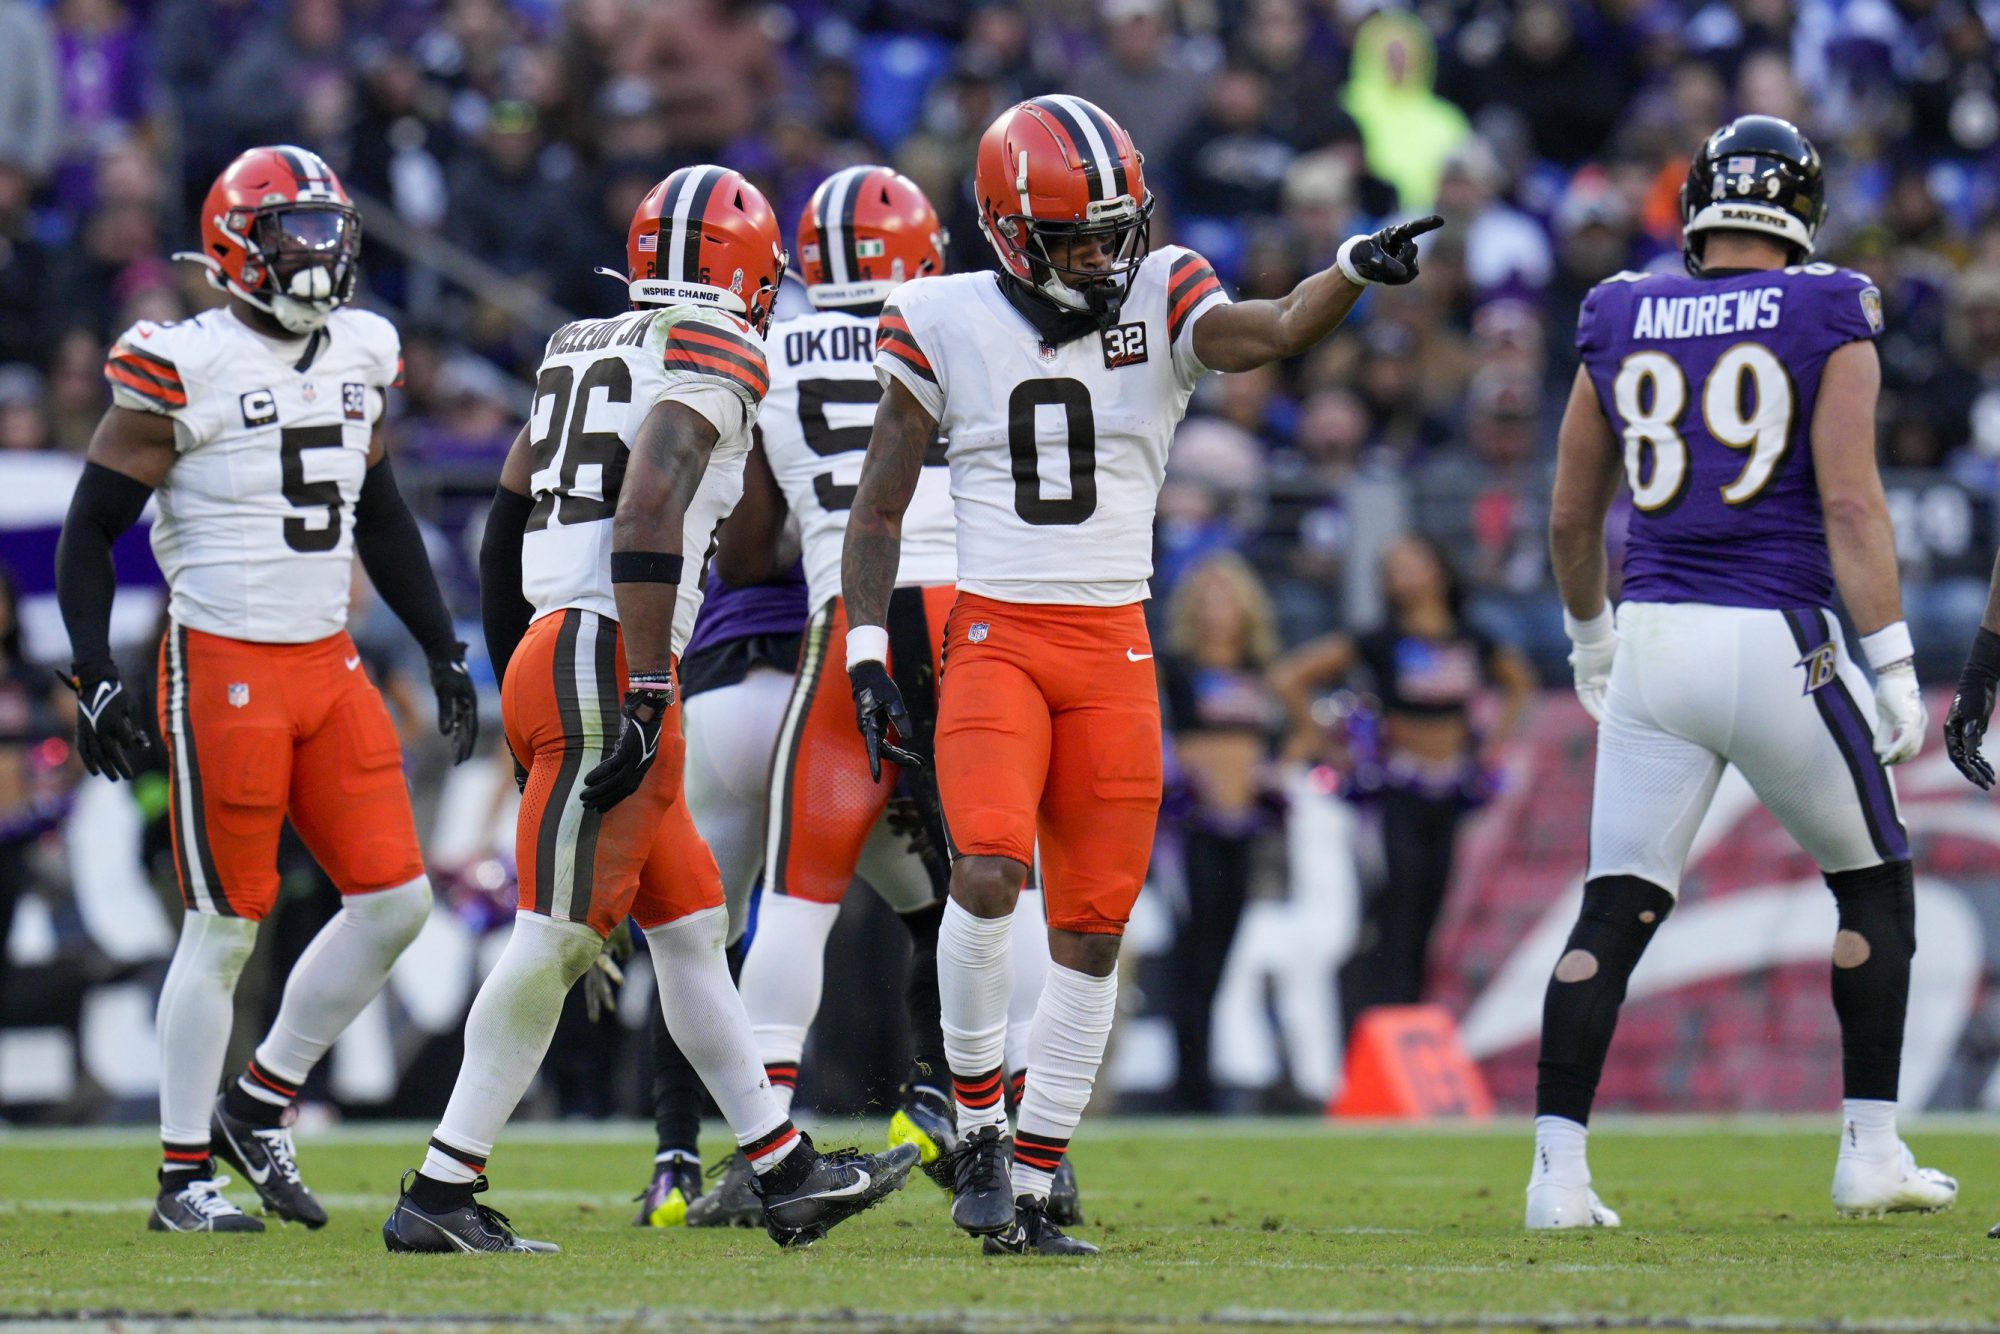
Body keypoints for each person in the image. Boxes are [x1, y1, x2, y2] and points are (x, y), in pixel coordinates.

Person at [844, 93, 1439, 1255]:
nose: (1104, 253)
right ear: (1011, 231)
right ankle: (976, 1128)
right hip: (996, 634)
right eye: (1076, 235)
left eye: (1115, 228)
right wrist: (867, 648)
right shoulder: (938, 317)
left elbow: (1264, 329)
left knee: (1096, 925)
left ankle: (1035, 1170)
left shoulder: (1161, 288)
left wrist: (1347, 273)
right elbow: (875, 507)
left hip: (1113, 643)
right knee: (981, 876)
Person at [384, 164, 915, 1255]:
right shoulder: (714, 346)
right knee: (559, 936)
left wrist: (522, 667)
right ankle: (440, 1184)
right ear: (741, 272)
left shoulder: (577, 343)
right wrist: (638, 677)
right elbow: (651, 498)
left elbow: (502, 521)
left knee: (686, 930)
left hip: (557, 645)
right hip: (613, 656)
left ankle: (782, 1165)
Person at [1531, 116, 1953, 1229]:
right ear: (1800, 212)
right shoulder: (1825, 304)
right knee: (1870, 881)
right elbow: (1850, 502)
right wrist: (1895, 662)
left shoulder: (1618, 308)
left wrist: (1587, 639)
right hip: (1776, 632)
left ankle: (1555, 1177)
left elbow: (1573, 512)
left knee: (1613, 907)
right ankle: (1867, 1148)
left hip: (1656, 634)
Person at [52, 146, 478, 1234]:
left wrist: (437, 645)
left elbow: (376, 509)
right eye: (294, 233)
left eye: (329, 232)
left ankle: (259, 1098)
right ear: (239, 244)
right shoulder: (179, 361)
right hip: (225, 662)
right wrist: (95, 668)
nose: (317, 254)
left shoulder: (366, 348)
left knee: (396, 901)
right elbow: (90, 531)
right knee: (224, 924)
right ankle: (179, 1175)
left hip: (327, 660)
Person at [695, 164, 1075, 1229]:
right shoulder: (964, 315)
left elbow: (751, 544)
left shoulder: (769, 346)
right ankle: (1028, 1131)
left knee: (798, 899)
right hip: (971, 618)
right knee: (1001, 880)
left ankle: (764, 1146)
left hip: (845, 618)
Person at [1271, 535, 1534, 1030]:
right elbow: (1291, 676)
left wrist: (1495, 745)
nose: (1402, 575)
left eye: (1413, 562)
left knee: (1433, 909)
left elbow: (1520, 682)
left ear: (1439, 569)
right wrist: (1318, 739)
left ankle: (1412, 1021)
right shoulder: (1377, 639)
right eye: (1392, 568)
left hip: (1452, 792)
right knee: (1397, 904)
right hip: (1396, 791)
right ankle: (1383, 1022)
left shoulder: (1472, 639)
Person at [632, 561, 809, 1229]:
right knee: (817, 909)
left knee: (691, 940)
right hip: (817, 683)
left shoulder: (688, 458)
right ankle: (946, 1108)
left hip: (714, 685)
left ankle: (673, 1161)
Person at [1156, 551, 1285, 1112]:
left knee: (1225, 950)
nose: (1217, 609)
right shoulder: (1175, 667)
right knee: (1192, 950)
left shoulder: (1261, 672)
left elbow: (1298, 724)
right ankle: (1190, 1084)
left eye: (1227, 596)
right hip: (1191, 826)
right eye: (1205, 597)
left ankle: (1201, 1075)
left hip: (1245, 827)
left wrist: (1276, 768)